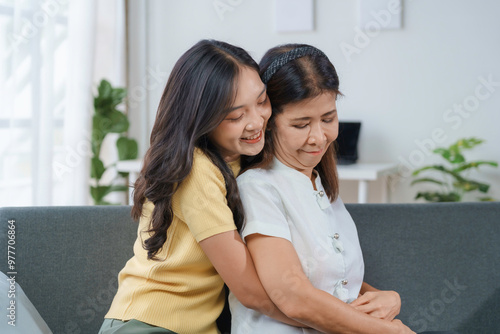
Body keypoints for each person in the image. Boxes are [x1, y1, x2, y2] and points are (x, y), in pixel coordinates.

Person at [98, 40, 302, 334]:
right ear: (200, 118)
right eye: (235, 116)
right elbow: (252, 292)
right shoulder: (195, 170)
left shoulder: (244, 160)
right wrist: (340, 320)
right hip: (147, 324)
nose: (257, 122)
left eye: (262, 101)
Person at [228, 44, 417, 334]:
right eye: (301, 124)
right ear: (268, 123)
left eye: (328, 119)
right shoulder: (258, 187)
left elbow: (332, 280)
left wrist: (384, 297)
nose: (318, 137)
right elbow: (292, 293)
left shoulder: (320, 186)